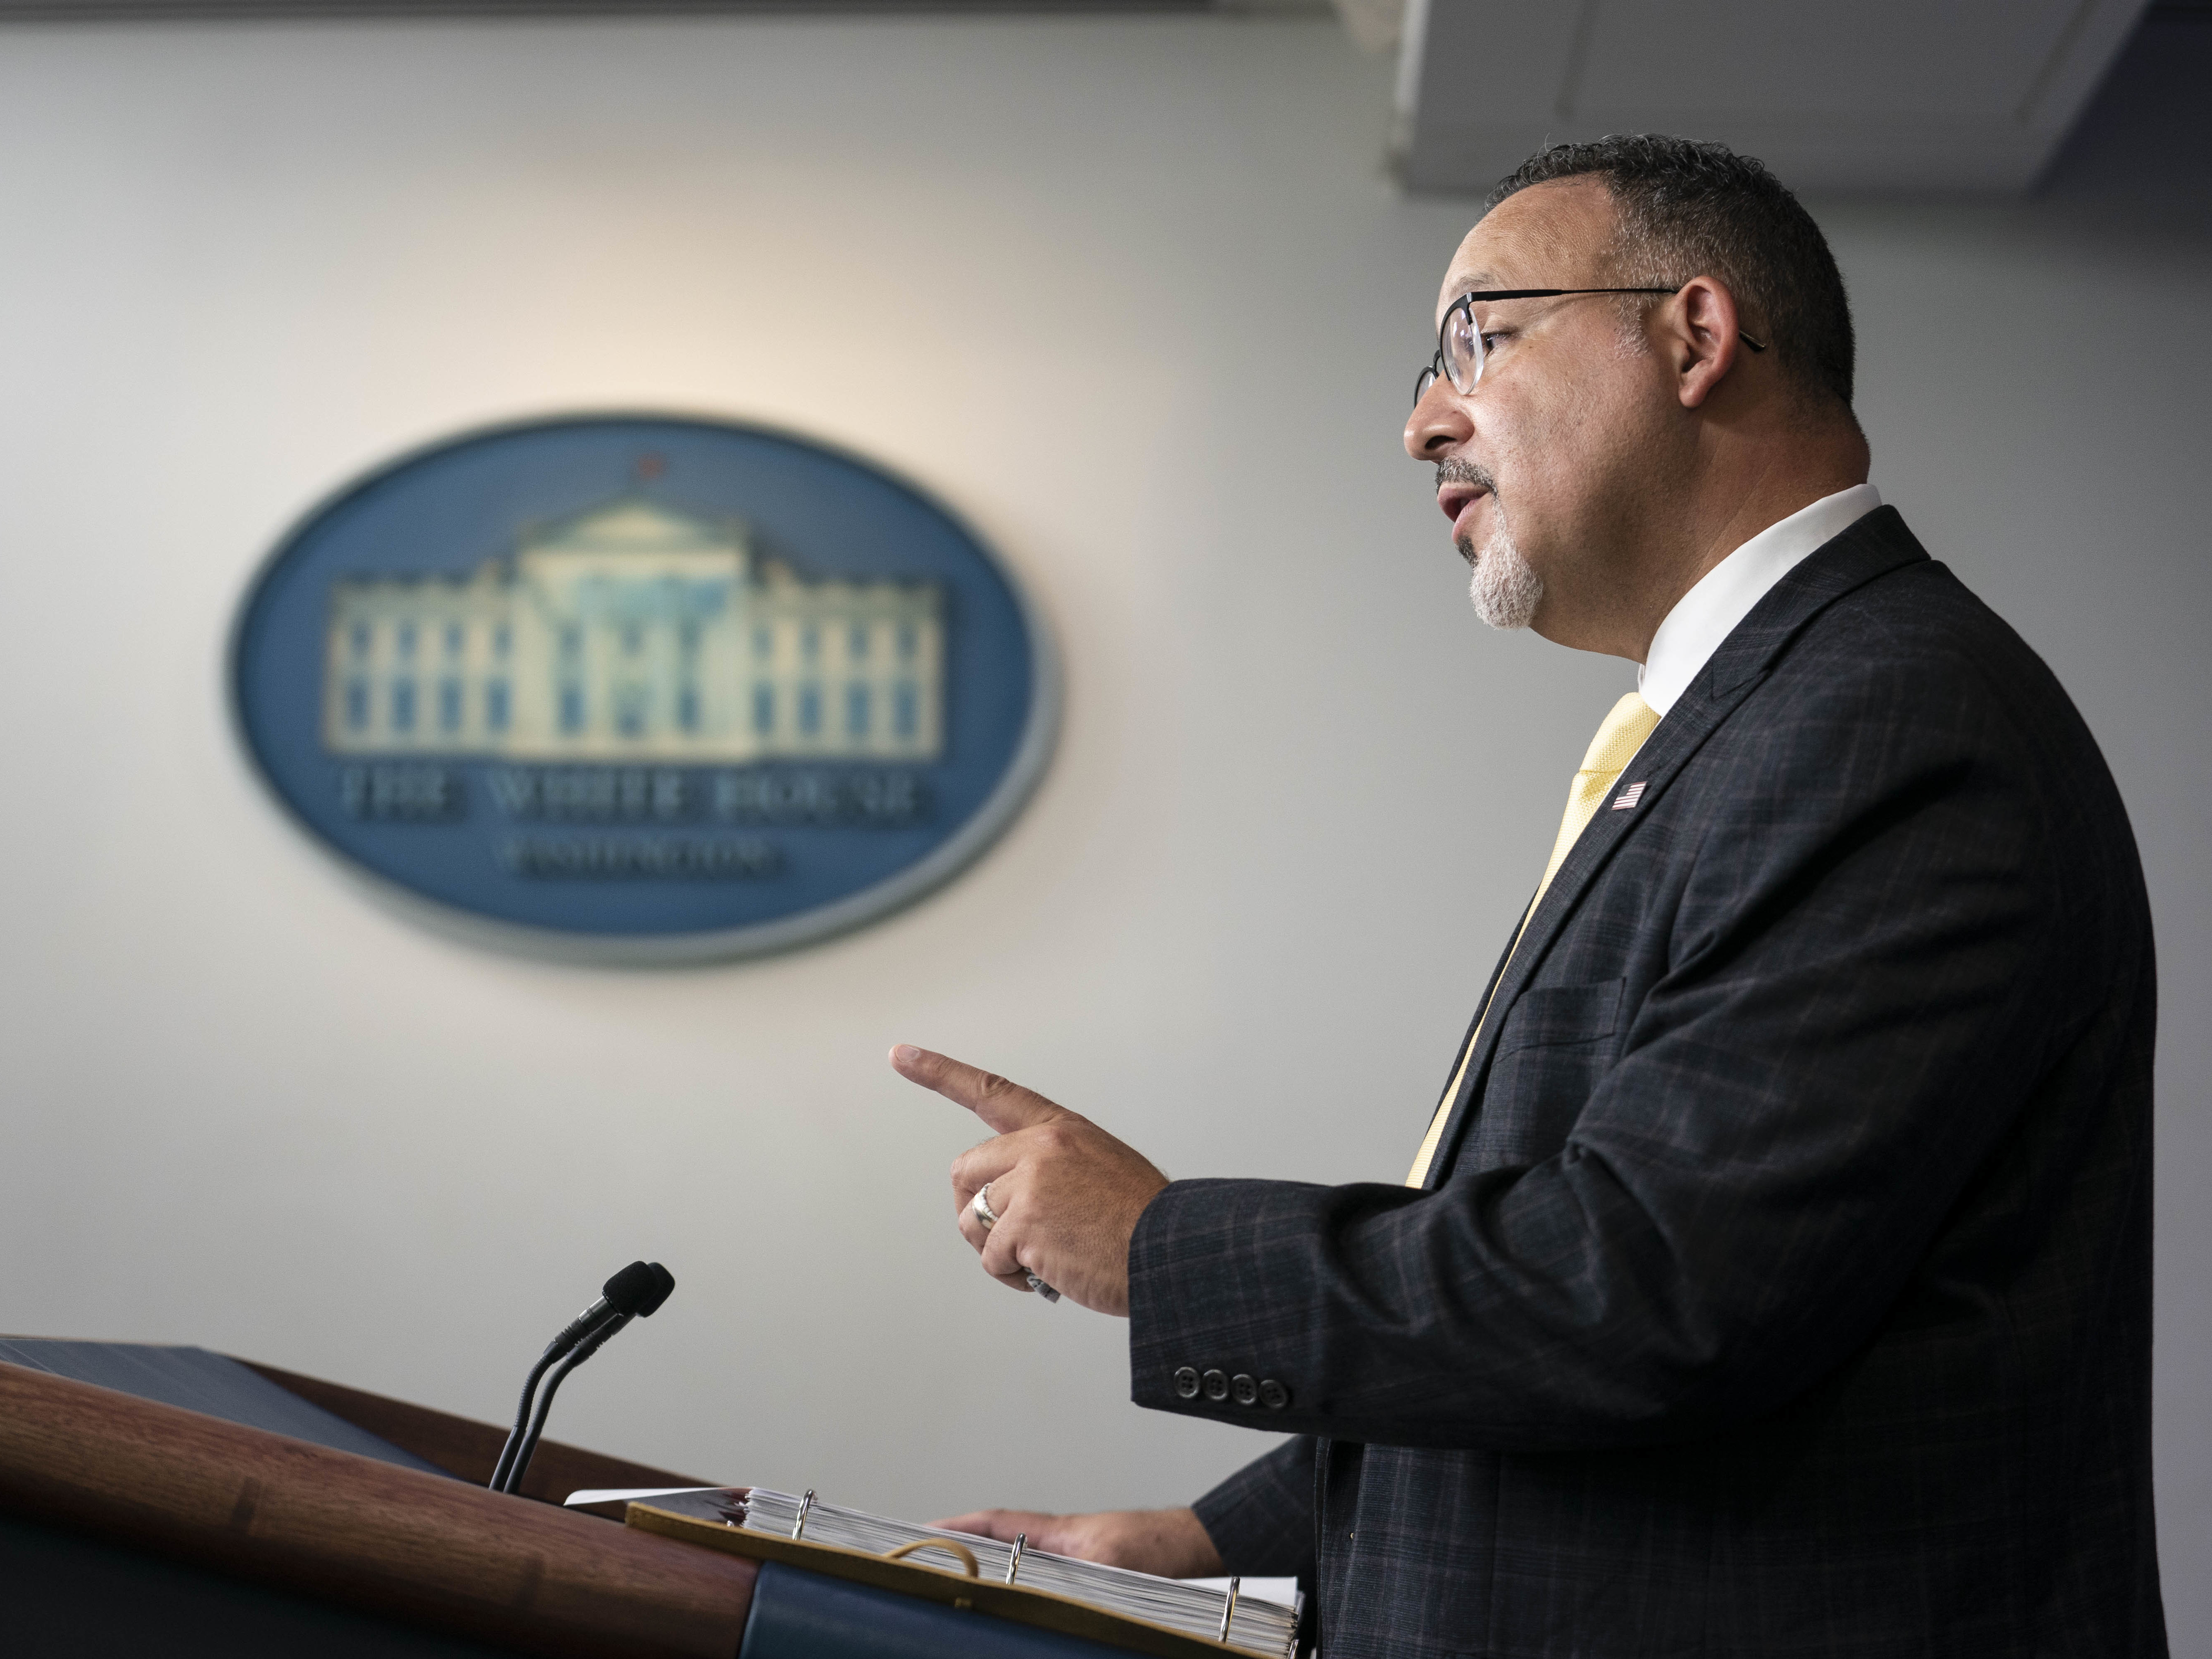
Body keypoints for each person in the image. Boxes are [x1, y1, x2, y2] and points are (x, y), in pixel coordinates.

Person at [891, 135, 2167, 1657]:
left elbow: (1650, 1287)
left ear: (1693, 338)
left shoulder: (1891, 723)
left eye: (1479, 340)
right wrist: (1212, 1537)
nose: (1426, 419)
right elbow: (1563, 1313)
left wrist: (1165, 1247)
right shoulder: (1753, 723)